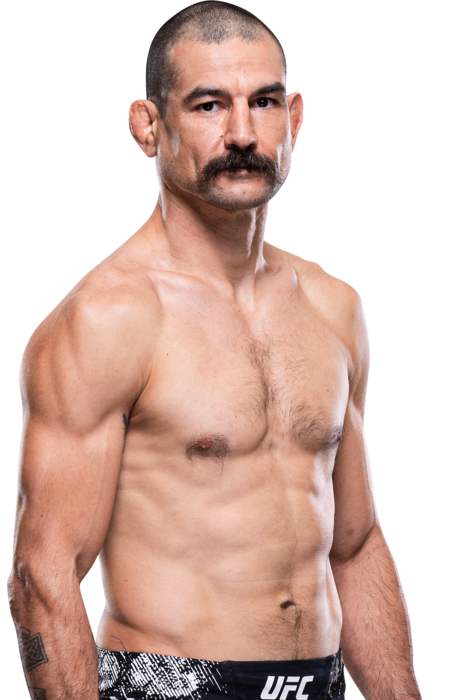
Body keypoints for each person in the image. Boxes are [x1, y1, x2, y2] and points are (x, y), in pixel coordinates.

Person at [7, 2, 422, 699]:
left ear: (293, 119)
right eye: (208, 106)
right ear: (148, 126)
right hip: (173, 682)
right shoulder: (109, 318)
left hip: (317, 683)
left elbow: (354, 545)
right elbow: (45, 574)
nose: (242, 134)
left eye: (263, 102)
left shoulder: (332, 307)